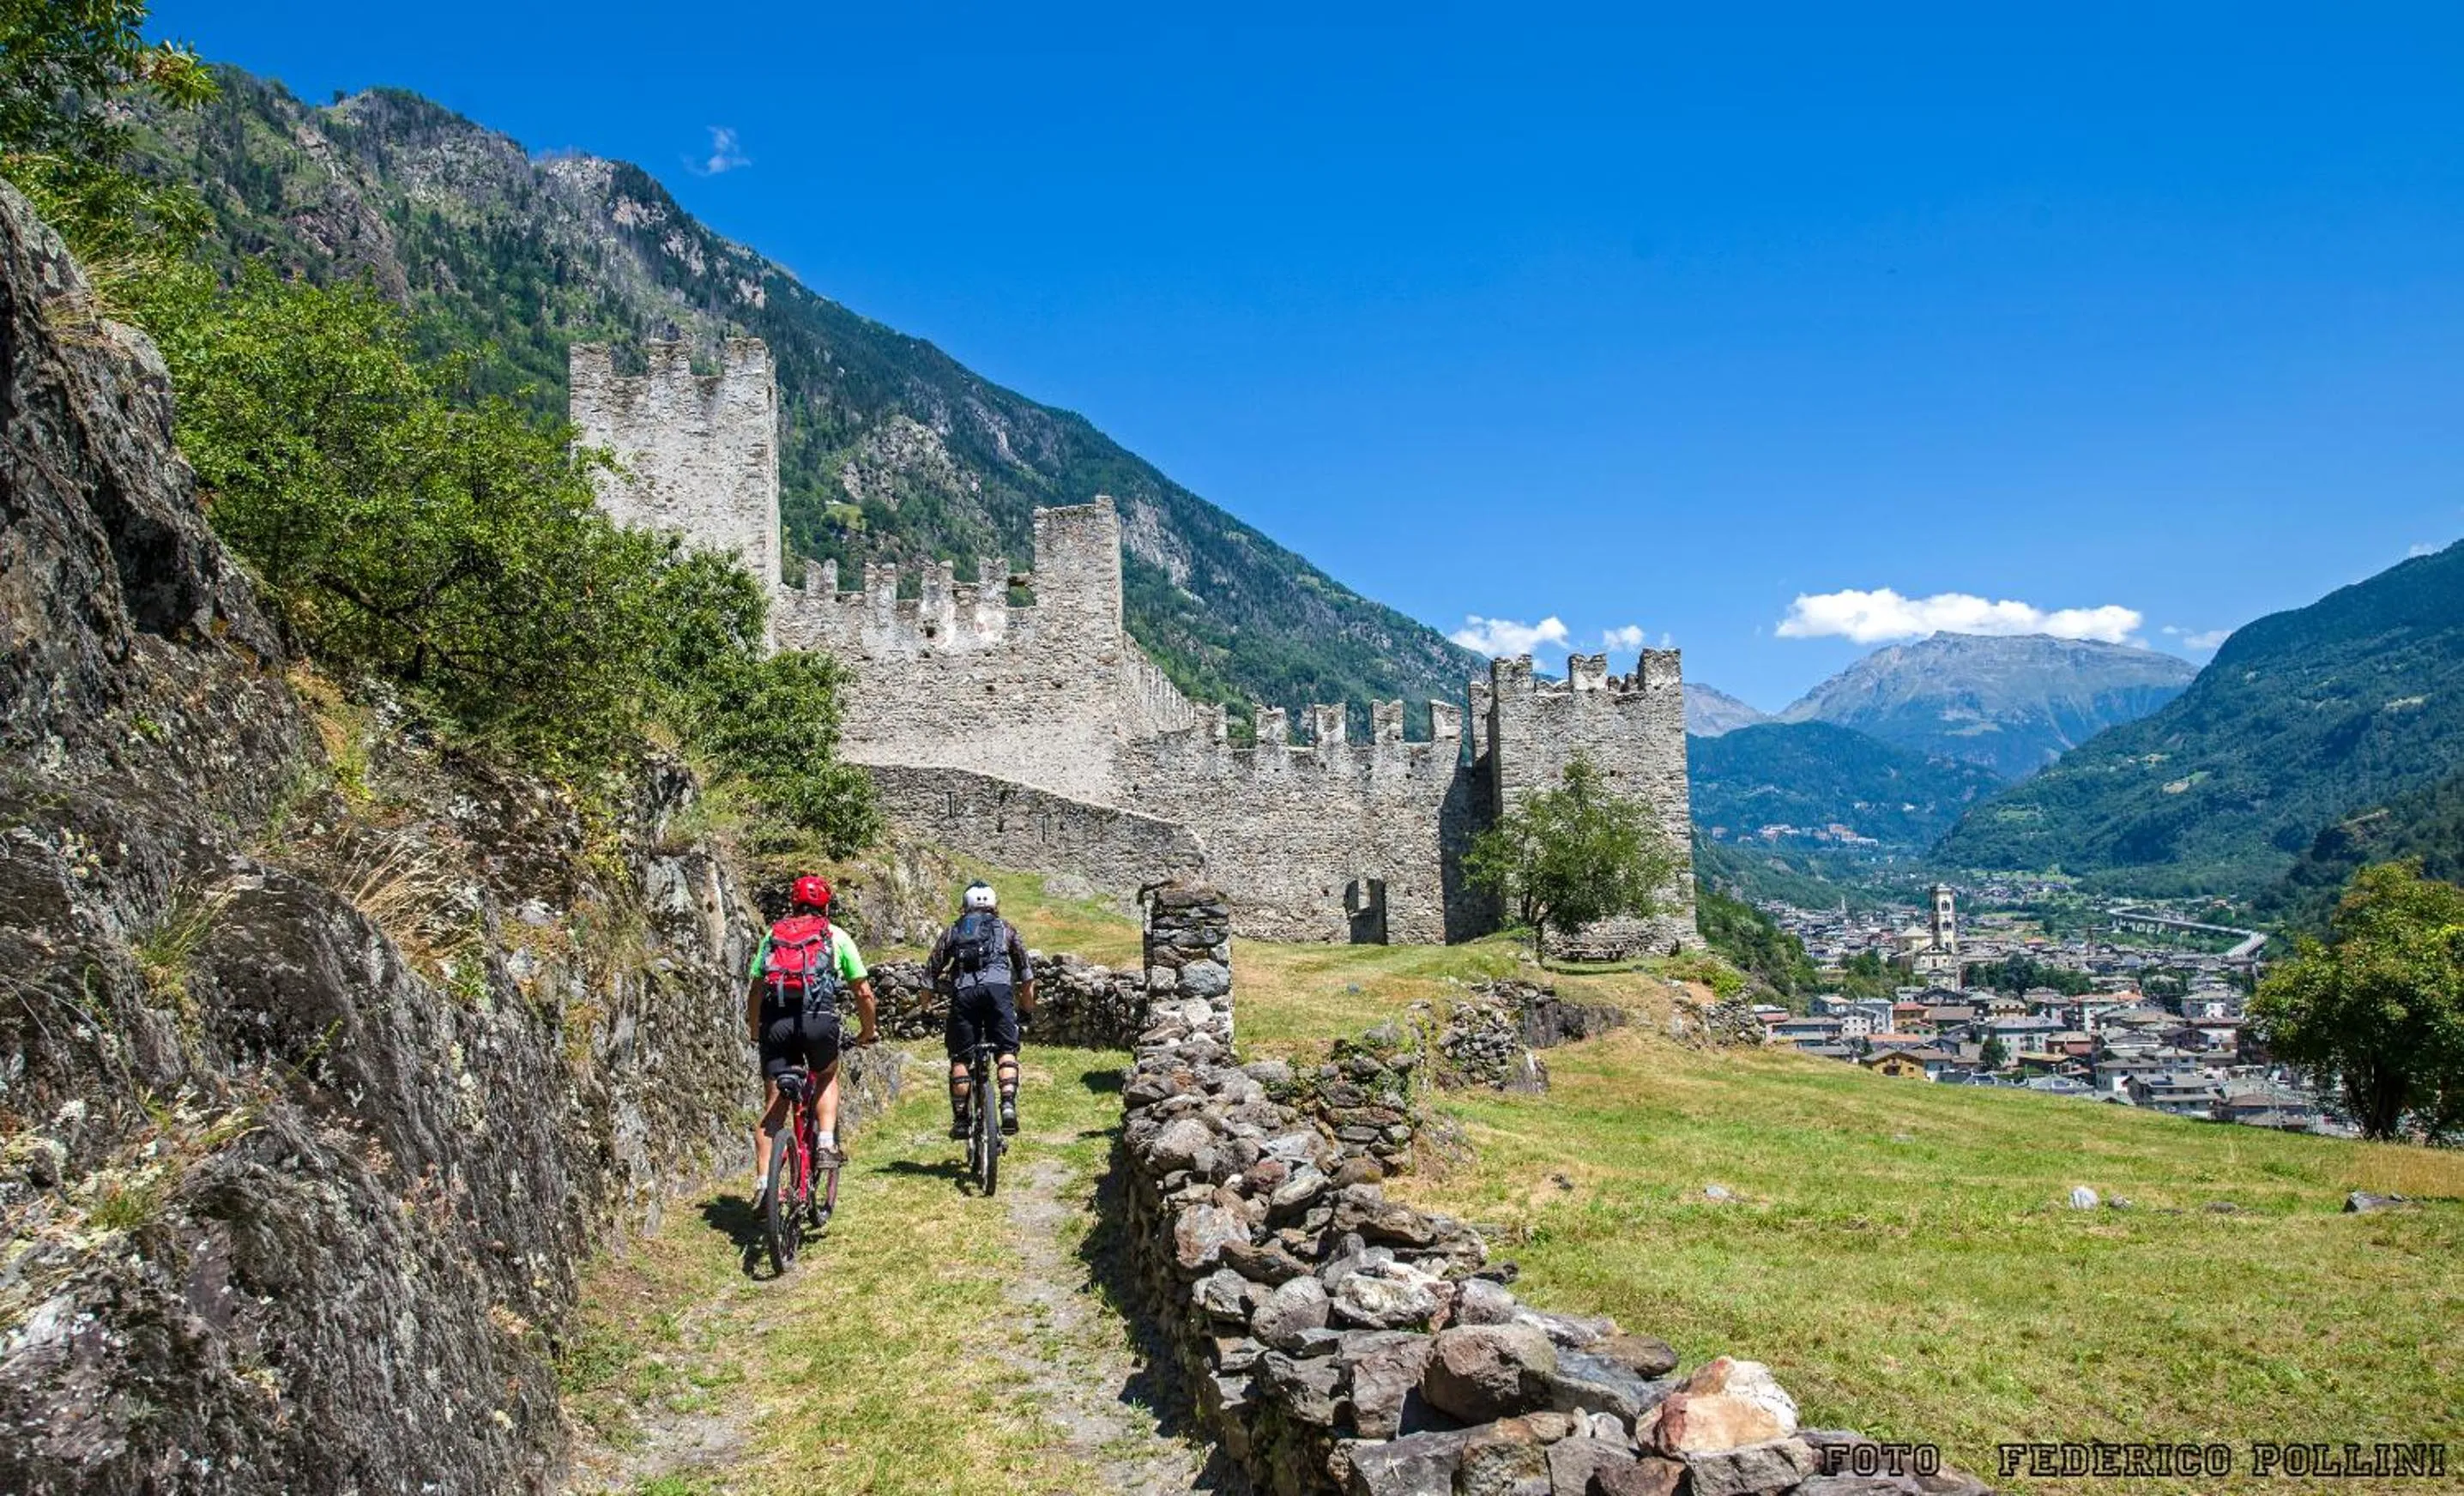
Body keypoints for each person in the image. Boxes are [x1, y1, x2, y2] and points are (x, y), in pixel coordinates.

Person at [747, 874, 877, 1200]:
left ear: (793, 903)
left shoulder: (774, 935)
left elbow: (756, 989)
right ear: (827, 905)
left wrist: (754, 1029)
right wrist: (868, 1030)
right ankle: (825, 1143)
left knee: (773, 1109)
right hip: (819, 1021)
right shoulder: (836, 936)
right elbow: (863, 991)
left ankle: (765, 1187)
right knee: (826, 1075)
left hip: (776, 1024)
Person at [923, 881, 1036, 1139]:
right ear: (995, 906)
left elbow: (929, 975)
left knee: (960, 1059)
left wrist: (926, 1009)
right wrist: (1026, 1010)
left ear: (965, 906)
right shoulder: (1006, 929)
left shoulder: (954, 931)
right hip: (999, 993)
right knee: (1007, 1052)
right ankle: (1007, 1105)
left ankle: (962, 1120)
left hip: (964, 994)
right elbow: (1027, 976)